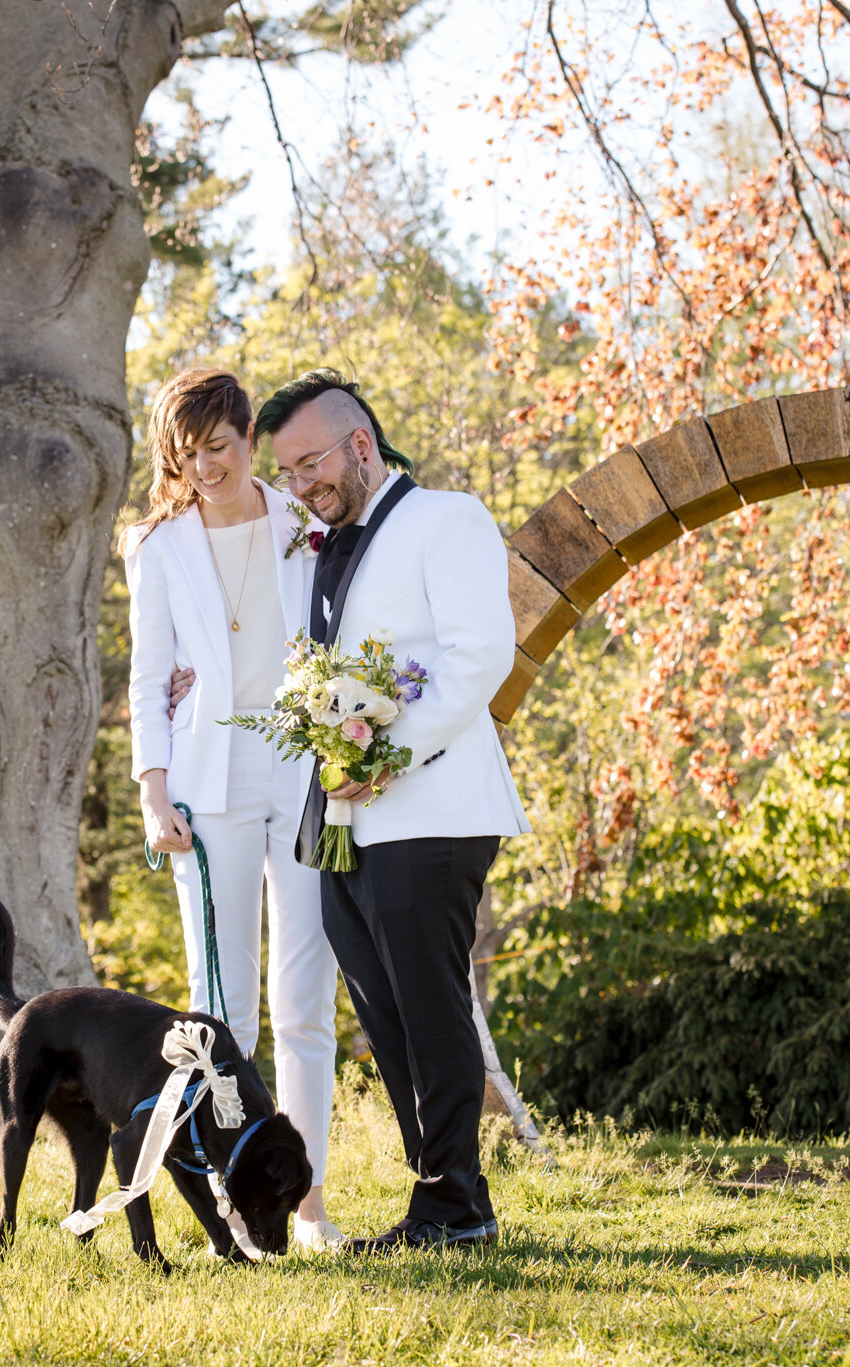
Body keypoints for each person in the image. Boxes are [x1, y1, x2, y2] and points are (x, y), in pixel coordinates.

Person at [257, 368, 531, 1253]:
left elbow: (480, 655)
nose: (300, 487)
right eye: (289, 474)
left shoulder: (447, 519)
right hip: (345, 822)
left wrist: (384, 753)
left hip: (434, 809)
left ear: (361, 444)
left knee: (430, 1005)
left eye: (309, 465)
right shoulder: (323, 542)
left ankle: (456, 1208)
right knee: (386, 1014)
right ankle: (443, 1198)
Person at [124, 367, 346, 1250]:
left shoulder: (306, 524)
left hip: (302, 780)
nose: (204, 467)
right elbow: (148, 677)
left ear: (249, 437)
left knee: (304, 1004)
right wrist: (151, 790)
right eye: (186, 454)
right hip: (204, 790)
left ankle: (311, 1198)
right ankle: (232, 1199)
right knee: (222, 1015)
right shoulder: (160, 547)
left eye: (218, 448)